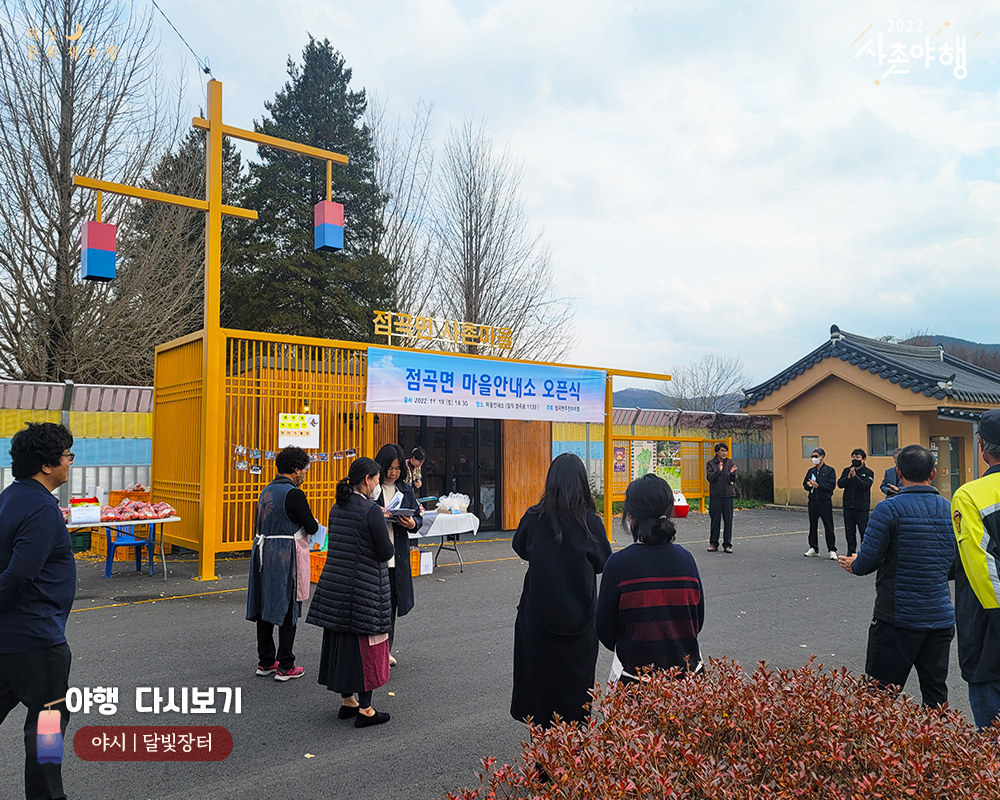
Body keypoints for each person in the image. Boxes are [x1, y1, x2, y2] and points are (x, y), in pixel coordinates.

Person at [838, 444, 956, 707]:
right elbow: (955, 565)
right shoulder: (951, 510)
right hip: (939, 618)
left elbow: (868, 561)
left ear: (899, 473)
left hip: (897, 618)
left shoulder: (889, 509)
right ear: (933, 473)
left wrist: (854, 564)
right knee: (936, 696)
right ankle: (935, 734)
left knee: (879, 697)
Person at [0, 423, 76, 800]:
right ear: (47, 465)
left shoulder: (9, 498)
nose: (70, 462)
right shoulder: (42, 509)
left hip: (7, 637)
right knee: (47, 725)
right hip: (37, 640)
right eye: (67, 456)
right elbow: (19, 574)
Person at [510, 453, 612, 728]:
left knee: (538, 698)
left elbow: (520, 547)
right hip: (579, 625)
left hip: (536, 622)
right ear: (583, 484)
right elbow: (603, 562)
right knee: (575, 700)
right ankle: (572, 753)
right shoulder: (591, 523)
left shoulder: (534, 517)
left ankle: (540, 754)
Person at [306, 457, 394, 727]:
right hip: (365, 587)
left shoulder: (337, 507)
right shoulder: (371, 511)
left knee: (341, 643)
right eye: (377, 479)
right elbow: (385, 551)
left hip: (336, 584)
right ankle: (366, 709)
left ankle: (348, 701)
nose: (378, 484)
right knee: (368, 646)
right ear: (367, 480)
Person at [596, 474, 704, 681]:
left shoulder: (618, 564)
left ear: (630, 516)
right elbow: (696, 622)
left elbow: (604, 629)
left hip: (637, 682)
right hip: (688, 684)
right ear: (669, 512)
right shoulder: (686, 560)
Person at [246, 446, 318, 681]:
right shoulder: (293, 493)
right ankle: (286, 664)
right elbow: (311, 526)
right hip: (285, 553)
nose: (305, 473)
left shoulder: (266, 490)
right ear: (296, 469)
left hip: (262, 552)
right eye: (304, 469)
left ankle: (266, 661)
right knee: (288, 605)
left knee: (264, 605)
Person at [951, 408, 1000, 729]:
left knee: (991, 740)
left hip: (988, 633)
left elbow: (982, 565)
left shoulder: (969, 495)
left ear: (982, 446)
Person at [373, 444, 422, 666]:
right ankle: (373, 651)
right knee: (375, 606)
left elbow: (418, 518)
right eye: (389, 468)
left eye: (397, 468)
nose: (393, 473)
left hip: (397, 557)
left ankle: (386, 650)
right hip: (376, 557)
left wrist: (411, 523)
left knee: (391, 607)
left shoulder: (405, 490)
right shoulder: (372, 488)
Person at [837, 448, 875, 556]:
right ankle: (850, 552)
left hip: (862, 508)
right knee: (849, 532)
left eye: (857, 457)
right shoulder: (847, 470)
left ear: (863, 459)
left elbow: (865, 486)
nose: (855, 459)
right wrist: (848, 477)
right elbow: (840, 484)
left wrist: (855, 477)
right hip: (848, 506)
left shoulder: (868, 472)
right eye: (853, 457)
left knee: (864, 531)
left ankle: (864, 553)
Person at [803, 447, 838, 559]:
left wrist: (819, 486)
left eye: (816, 456)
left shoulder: (829, 470)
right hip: (813, 501)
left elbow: (831, 485)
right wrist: (808, 485)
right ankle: (813, 547)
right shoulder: (811, 471)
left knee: (828, 525)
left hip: (825, 501)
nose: (814, 458)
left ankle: (832, 549)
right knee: (813, 525)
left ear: (822, 457)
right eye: (812, 456)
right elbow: (805, 483)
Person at [706, 443, 737, 553]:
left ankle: (727, 545)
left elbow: (733, 480)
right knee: (715, 520)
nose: (724, 453)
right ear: (717, 452)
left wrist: (732, 474)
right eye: (722, 451)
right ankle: (713, 544)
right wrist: (718, 471)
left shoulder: (730, 463)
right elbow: (710, 478)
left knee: (728, 520)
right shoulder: (710, 463)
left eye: (726, 451)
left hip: (728, 495)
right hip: (716, 495)